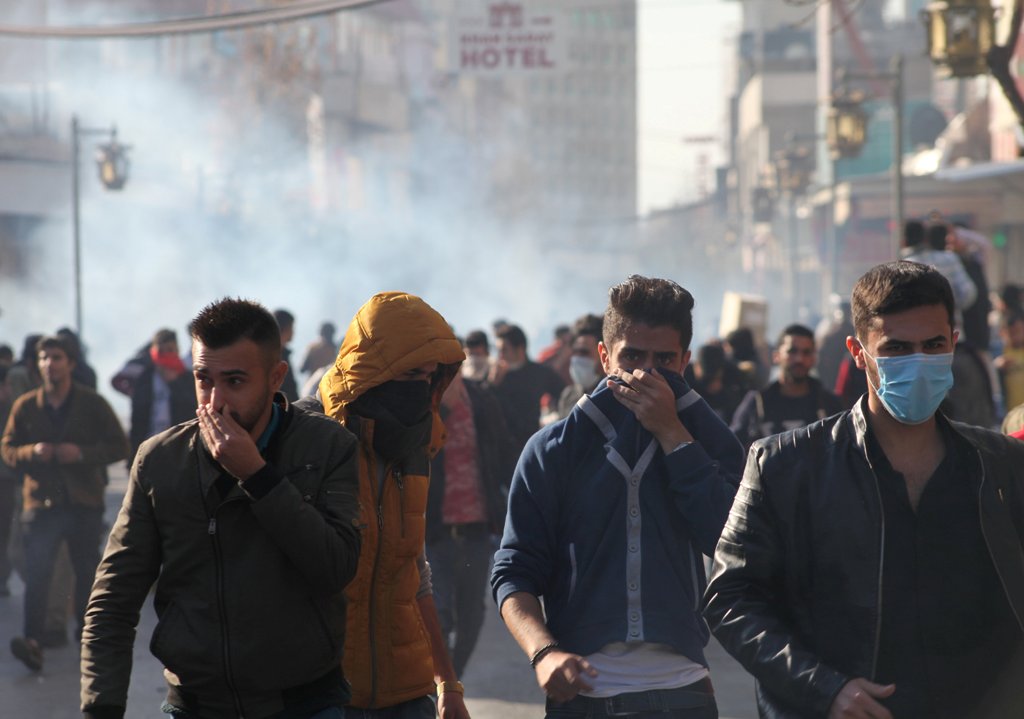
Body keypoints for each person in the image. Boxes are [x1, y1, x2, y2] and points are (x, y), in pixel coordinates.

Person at [705, 261, 1024, 718]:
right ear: (858, 351)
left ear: (953, 343)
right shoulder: (786, 466)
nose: (918, 362)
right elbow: (730, 597)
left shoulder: (1000, 466)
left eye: (932, 345)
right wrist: (824, 688)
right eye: (896, 349)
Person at [80, 298, 362, 719]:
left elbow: (335, 566)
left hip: (304, 702)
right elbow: (114, 600)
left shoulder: (325, 447)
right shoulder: (161, 461)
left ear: (276, 377)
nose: (214, 402)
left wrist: (260, 478)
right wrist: (100, 707)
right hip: (196, 704)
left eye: (234, 381)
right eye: (203, 380)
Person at [491, 275, 744, 719]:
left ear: (685, 361)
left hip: (683, 691)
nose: (646, 372)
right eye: (632, 357)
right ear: (605, 356)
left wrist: (673, 435)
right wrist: (544, 652)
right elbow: (514, 572)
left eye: (664, 359)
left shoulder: (710, 441)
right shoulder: (553, 450)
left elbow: (729, 542)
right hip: (583, 697)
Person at [311, 291, 471, 719]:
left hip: (406, 695)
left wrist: (448, 684)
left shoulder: (415, 445)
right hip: (325, 693)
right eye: (408, 373)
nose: (419, 389)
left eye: (429, 377)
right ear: (372, 372)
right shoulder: (313, 440)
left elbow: (414, 573)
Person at [1, 336, 128, 672]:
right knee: (38, 574)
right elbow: (9, 449)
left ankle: (90, 640)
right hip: (41, 504)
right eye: (44, 358)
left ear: (70, 363)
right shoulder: (27, 405)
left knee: (87, 575)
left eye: (56, 358)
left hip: (83, 502)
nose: (49, 364)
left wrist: (83, 454)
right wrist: (32, 452)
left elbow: (119, 445)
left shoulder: (92, 404)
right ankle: (32, 641)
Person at [427, 366, 516, 677]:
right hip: (434, 531)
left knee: (472, 616)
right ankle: (442, 682)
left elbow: (504, 453)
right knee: (438, 614)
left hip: (477, 528)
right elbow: (415, 450)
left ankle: (452, 679)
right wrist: (443, 407)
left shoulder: (481, 399)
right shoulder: (424, 403)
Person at [730, 324, 843, 449]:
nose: (799, 359)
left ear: (813, 358)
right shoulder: (757, 403)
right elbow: (732, 448)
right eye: (792, 351)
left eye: (806, 352)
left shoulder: (828, 405)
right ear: (776, 356)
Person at [113, 328, 197, 465]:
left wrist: (174, 383)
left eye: (170, 350)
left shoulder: (188, 378)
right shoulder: (144, 379)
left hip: (180, 451)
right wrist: (133, 458)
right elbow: (138, 421)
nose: (166, 356)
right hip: (149, 450)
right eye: (161, 352)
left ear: (177, 350)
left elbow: (192, 409)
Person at [490, 324, 566, 456]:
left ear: (520, 349)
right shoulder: (495, 376)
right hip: (500, 451)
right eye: (498, 350)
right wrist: (492, 385)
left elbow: (565, 394)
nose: (500, 356)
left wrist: (555, 421)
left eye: (504, 350)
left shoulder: (539, 373)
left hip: (532, 446)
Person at [900, 219, 977, 316]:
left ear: (903, 241)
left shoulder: (904, 266)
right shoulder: (949, 258)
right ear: (926, 239)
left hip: (917, 326)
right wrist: (950, 308)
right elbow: (968, 292)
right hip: (950, 324)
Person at [551, 314, 604, 421]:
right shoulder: (568, 396)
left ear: (603, 355)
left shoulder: (615, 395)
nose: (577, 358)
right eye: (575, 352)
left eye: (584, 352)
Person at [274, 308, 300, 401]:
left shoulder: (283, 353)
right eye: (292, 328)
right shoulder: (273, 356)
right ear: (285, 328)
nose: (293, 332)